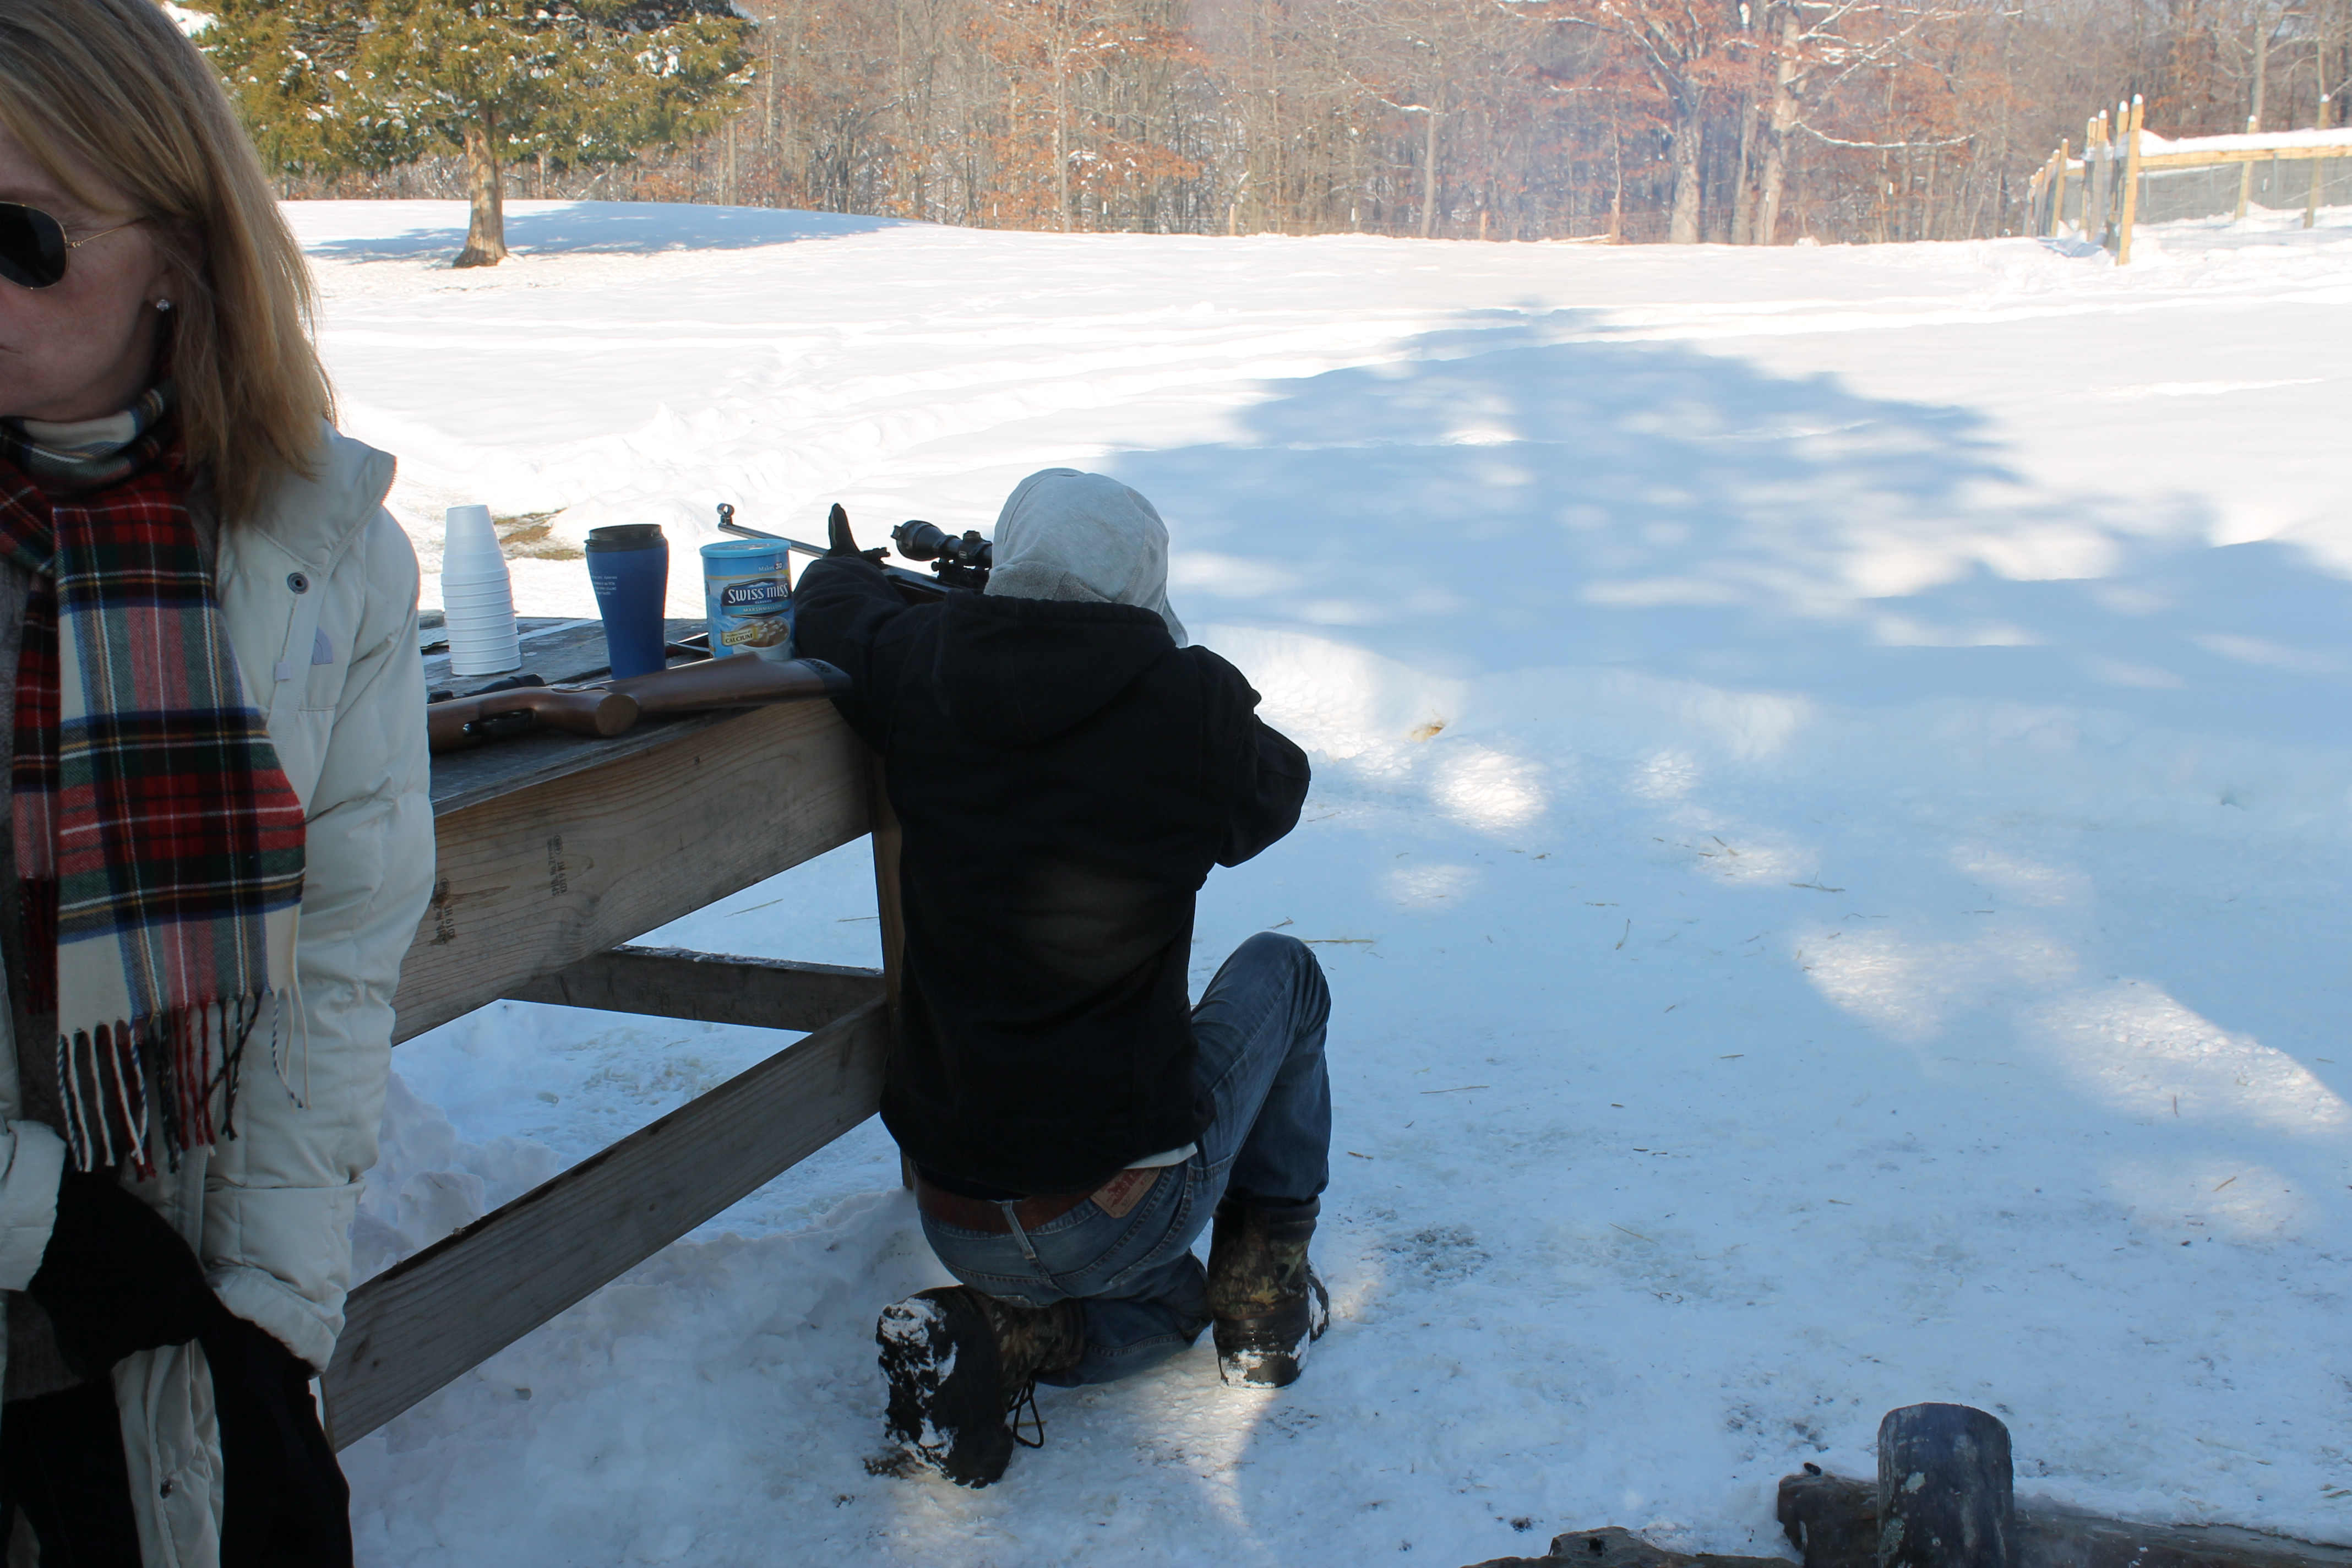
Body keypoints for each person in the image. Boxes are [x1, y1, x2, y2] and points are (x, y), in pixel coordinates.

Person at [0, 1, 433, 1561]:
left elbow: (339, 956)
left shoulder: (323, 551)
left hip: (174, 1321)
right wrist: (44, 1223)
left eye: (21, 236)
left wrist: (264, 1318)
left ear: (178, 251)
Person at [793, 468, 1329, 1489]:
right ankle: (1265, 1310)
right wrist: (1163, 655)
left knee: (1163, 1301)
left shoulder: (919, 661)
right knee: (1287, 973)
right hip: (1113, 1206)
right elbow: (1280, 788)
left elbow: (834, 608)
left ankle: (992, 1334)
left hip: (955, 1211)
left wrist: (860, 572)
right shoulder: (1187, 703)